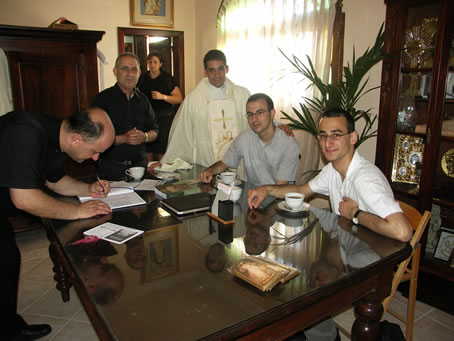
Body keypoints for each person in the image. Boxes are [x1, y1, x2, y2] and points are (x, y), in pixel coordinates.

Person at [0, 108, 115, 341]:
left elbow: (54, 181)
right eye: (95, 152)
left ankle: (8, 328)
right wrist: (77, 211)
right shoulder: (25, 132)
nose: (96, 158)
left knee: (7, 260)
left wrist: (88, 190)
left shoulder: (58, 136)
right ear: (77, 139)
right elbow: (24, 198)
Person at [248, 108, 413, 242]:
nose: (328, 143)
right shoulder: (332, 170)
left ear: (353, 137)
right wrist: (266, 189)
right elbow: (301, 191)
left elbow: (402, 232)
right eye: (323, 136)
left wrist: (355, 214)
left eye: (336, 135)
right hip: (348, 248)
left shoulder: (365, 178)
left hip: (372, 263)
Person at [199, 93, 300, 186]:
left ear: (272, 113)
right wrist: (210, 170)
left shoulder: (289, 144)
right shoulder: (245, 138)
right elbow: (225, 163)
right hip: (252, 198)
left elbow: (280, 187)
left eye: (260, 112)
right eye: (250, 114)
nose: (254, 119)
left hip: (277, 200)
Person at [92, 52, 159, 179]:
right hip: (111, 168)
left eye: (134, 69)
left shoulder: (143, 99)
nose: (130, 74)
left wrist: (144, 136)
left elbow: (155, 131)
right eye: (125, 69)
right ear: (115, 71)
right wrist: (123, 138)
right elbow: (92, 137)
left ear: (139, 73)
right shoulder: (102, 99)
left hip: (140, 168)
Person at [137, 51, 183, 161]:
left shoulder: (167, 78)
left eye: (155, 62)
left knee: (162, 149)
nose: (152, 65)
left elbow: (179, 99)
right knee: (147, 149)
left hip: (164, 119)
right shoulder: (142, 78)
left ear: (161, 64)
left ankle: (160, 174)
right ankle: (149, 174)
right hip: (147, 119)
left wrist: (163, 97)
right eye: (150, 62)